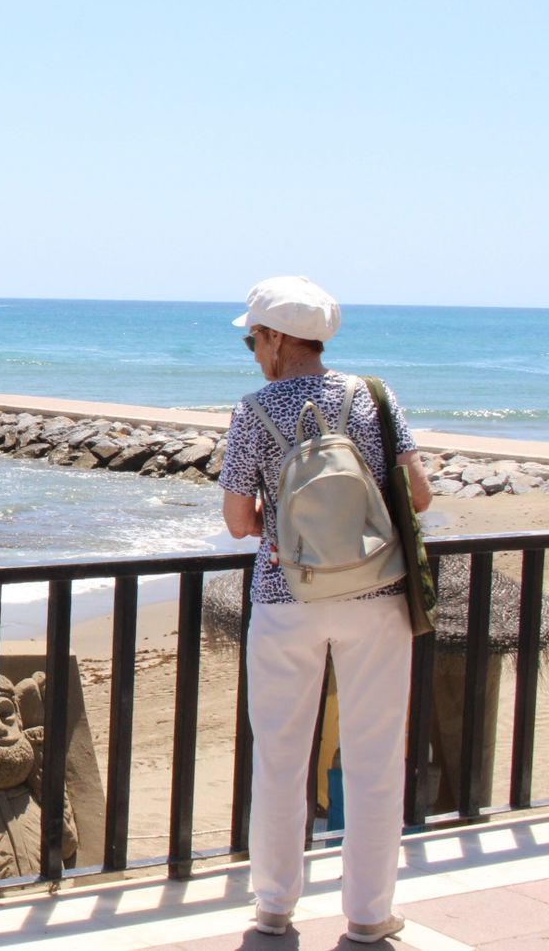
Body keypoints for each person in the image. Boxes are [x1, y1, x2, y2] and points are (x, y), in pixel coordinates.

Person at [217, 275, 432, 944]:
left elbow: (236, 520)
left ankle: (275, 907)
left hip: (288, 598)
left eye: (255, 337)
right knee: (375, 757)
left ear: (279, 340)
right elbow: (418, 495)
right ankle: (369, 916)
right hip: (376, 597)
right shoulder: (374, 396)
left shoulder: (254, 409)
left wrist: (288, 526)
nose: (253, 349)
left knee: (279, 756)